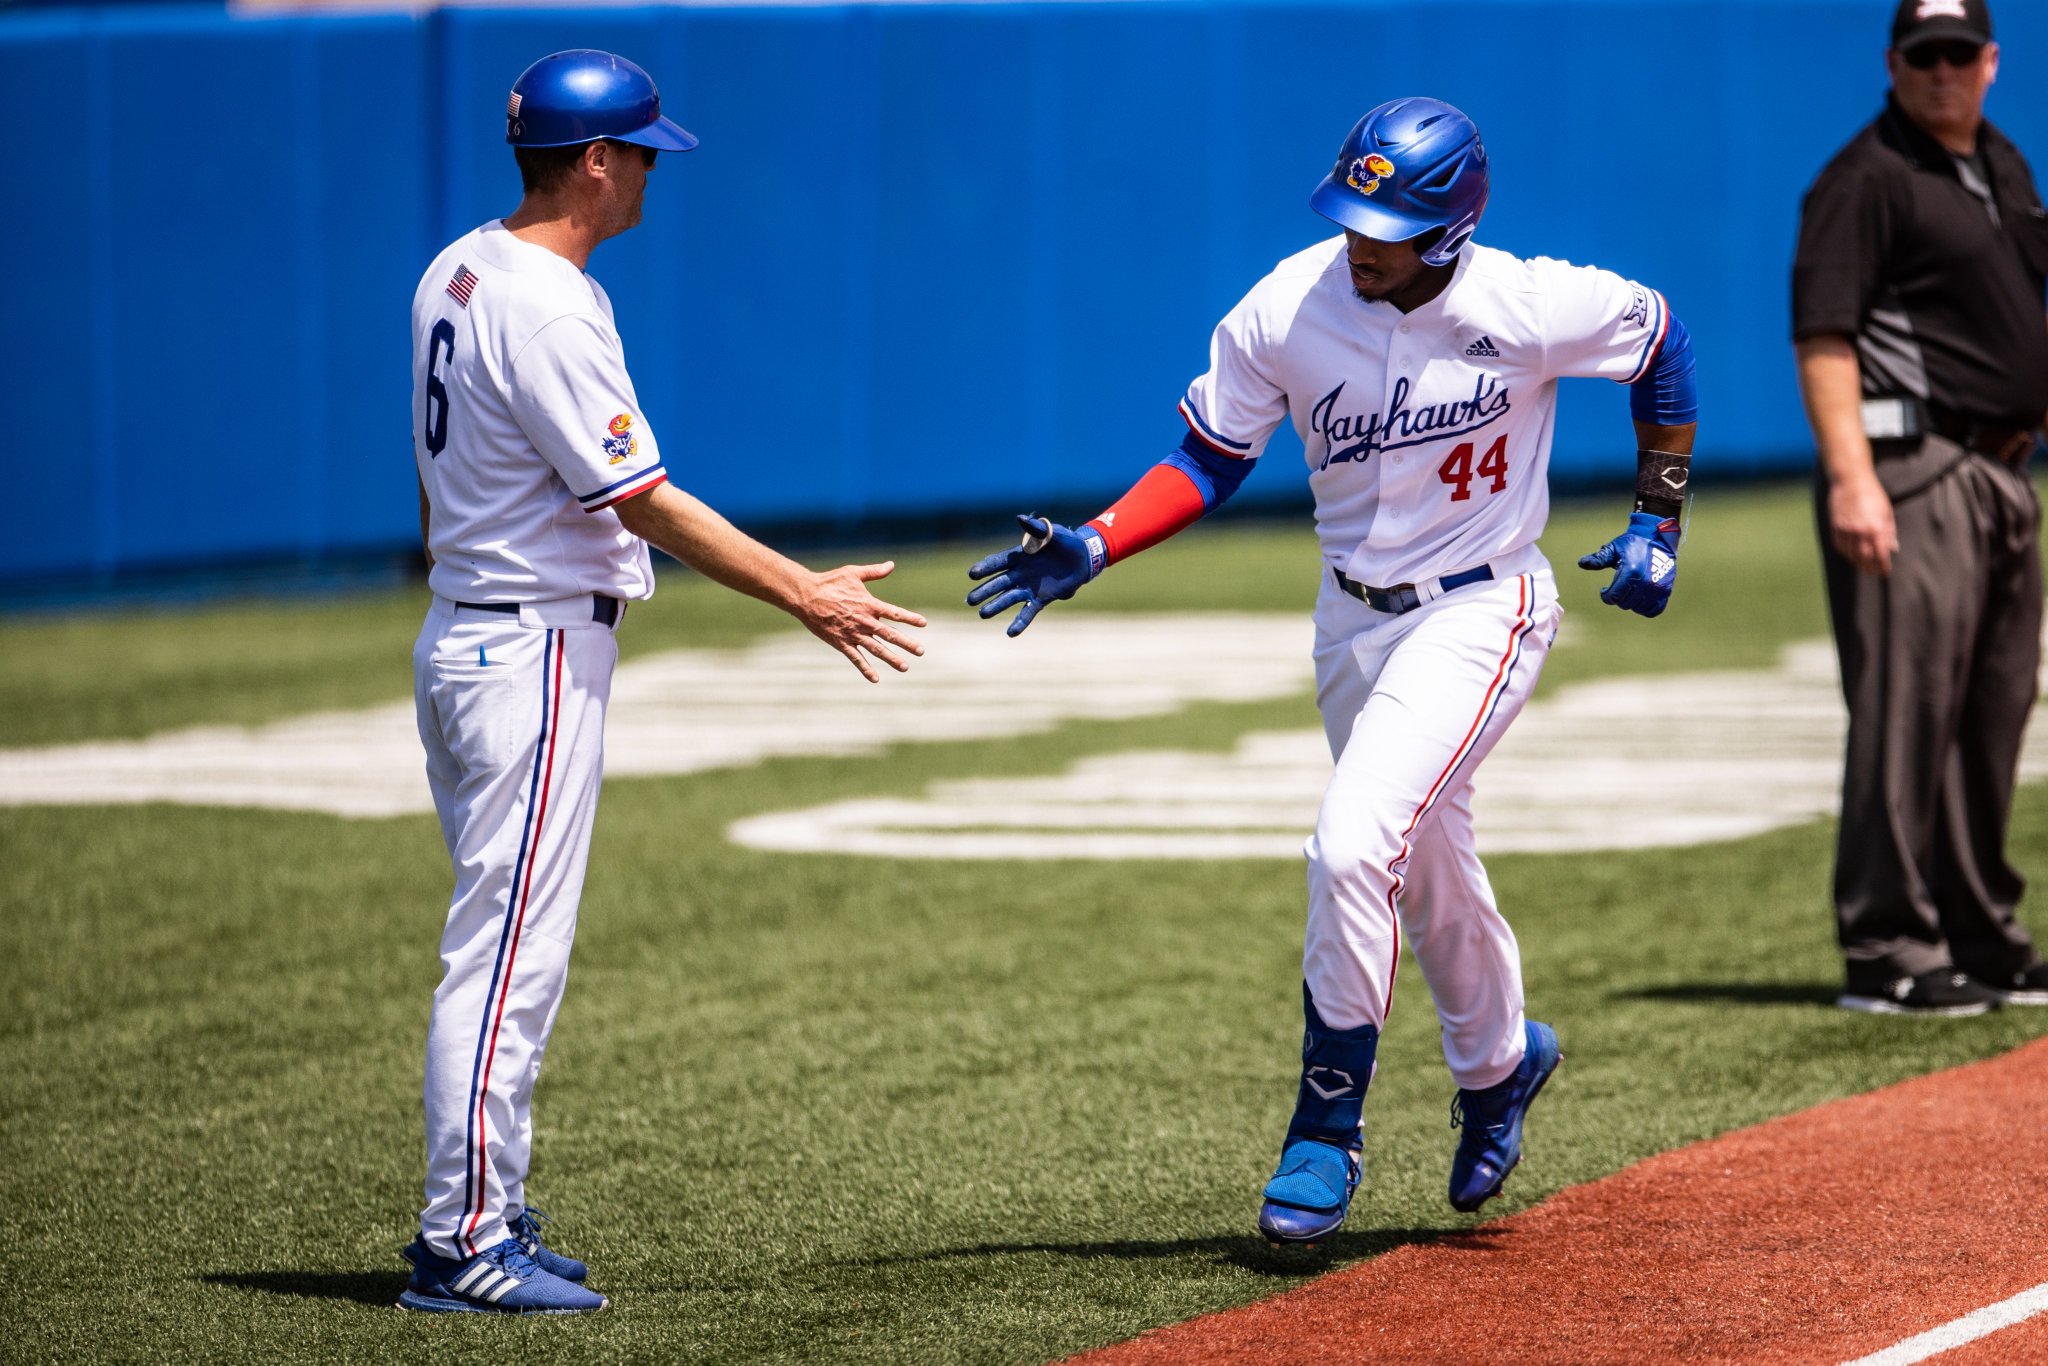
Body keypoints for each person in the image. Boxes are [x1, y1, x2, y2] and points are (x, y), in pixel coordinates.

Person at [966, 97, 1698, 1244]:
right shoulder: (1286, 305)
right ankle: (1503, 1061)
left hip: (1480, 607)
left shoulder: (1525, 301)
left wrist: (1658, 516)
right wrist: (1100, 539)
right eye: (1351, 210)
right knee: (1418, 861)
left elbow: (1658, 339)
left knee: (1353, 839)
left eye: (1387, 221)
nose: (1360, 238)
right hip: (1348, 622)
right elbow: (1207, 454)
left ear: (1450, 229)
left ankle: (1325, 1125)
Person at [400, 49, 927, 1314]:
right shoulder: (546, 301)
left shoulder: (459, 264)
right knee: (506, 957)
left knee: (504, 943)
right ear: (593, 161)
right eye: (639, 152)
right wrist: (804, 592)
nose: (648, 172)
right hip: (524, 647)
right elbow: (638, 497)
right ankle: (462, 1235)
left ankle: (489, 1202)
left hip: (472, 629)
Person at [1792, 0, 2048, 1018]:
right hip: (1910, 466)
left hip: (1998, 472)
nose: (1939, 71)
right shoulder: (1862, 179)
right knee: (1904, 713)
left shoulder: (1998, 162)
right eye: (1920, 54)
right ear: (1892, 62)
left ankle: (1978, 933)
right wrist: (1851, 475)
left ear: (1988, 61)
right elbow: (1823, 337)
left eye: (1956, 53)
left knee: (1991, 710)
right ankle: (1886, 945)